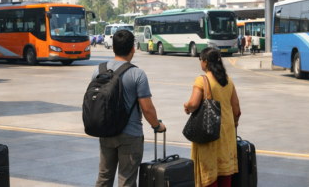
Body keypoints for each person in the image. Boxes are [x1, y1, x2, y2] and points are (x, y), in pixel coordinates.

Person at [93, 29, 166, 187]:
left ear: (113, 47)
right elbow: (147, 109)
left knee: (104, 177)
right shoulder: (137, 74)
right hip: (130, 135)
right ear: (133, 48)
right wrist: (157, 125)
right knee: (127, 179)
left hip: (105, 133)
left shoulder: (98, 70)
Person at [184, 48, 241, 187]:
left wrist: (187, 106)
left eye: (201, 60)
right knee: (224, 172)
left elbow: (194, 103)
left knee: (209, 173)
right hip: (226, 130)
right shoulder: (228, 80)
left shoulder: (201, 80)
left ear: (205, 62)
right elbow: (237, 107)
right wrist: (235, 120)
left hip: (209, 130)